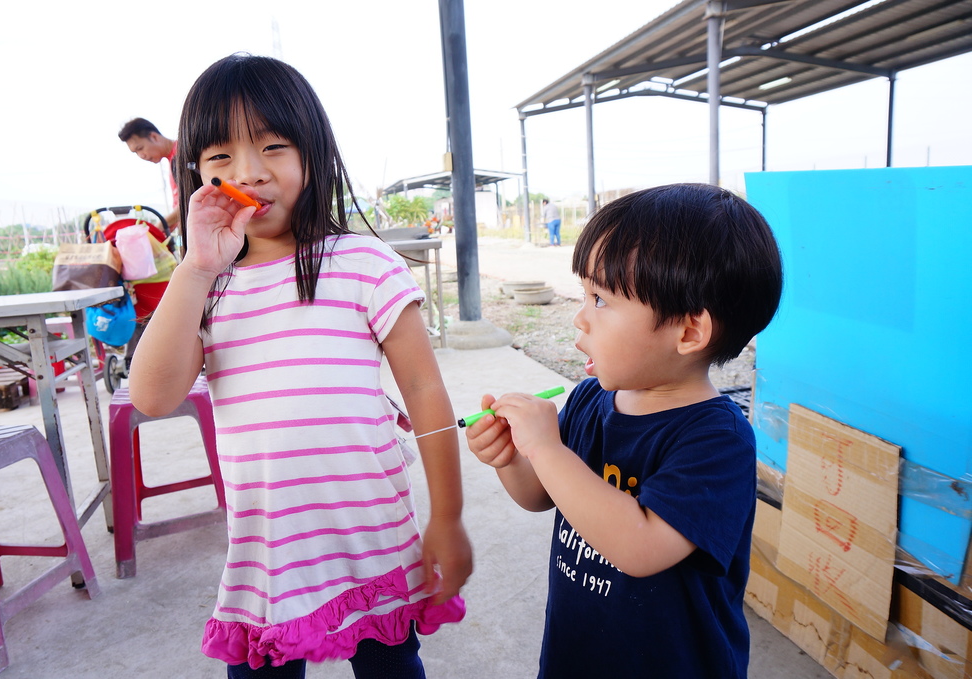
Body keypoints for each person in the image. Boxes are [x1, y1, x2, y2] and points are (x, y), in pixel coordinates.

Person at [128, 54, 472, 678]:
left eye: (273, 146)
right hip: (268, 557)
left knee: (392, 667)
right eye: (221, 157)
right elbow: (151, 397)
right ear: (196, 173)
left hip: (372, 537)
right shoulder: (210, 287)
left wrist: (446, 516)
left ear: (313, 154)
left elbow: (423, 390)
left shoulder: (364, 264)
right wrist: (196, 268)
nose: (250, 173)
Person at [466, 184, 783, 678]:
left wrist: (546, 448)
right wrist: (513, 456)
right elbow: (541, 495)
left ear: (688, 332)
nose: (580, 316)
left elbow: (641, 547)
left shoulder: (717, 441)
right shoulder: (591, 399)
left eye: (601, 299)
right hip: (579, 651)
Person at [118, 117, 182, 237]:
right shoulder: (173, 158)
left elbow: (188, 201)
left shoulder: (181, 155)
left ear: (154, 137)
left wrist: (159, 226)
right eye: (136, 153)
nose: (141, 155)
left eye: (140, 148)